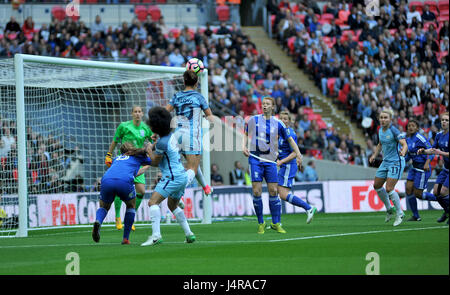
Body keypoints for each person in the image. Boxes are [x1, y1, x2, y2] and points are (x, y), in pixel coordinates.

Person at [242, 97, 303, 234]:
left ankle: (276, 223)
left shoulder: (278, 123)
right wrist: (243, 146)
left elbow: (290, 140)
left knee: (274, 191)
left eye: (267, 104)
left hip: (270, 161)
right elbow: (245, 133)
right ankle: (261, 223)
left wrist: (298, 154)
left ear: (272, 107)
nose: (264, 106)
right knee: (257, 191)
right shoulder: (254, 119)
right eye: (263, 104)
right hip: (255, 158)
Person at [141, 107, 196, 246]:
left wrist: (148, 151)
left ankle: (156, 236)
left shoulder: (162, 142)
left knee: (153, 202)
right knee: (173, 205)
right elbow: (160, 146)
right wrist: (153, 143)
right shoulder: (171, 136)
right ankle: (189, 234)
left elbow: (155, 162)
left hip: (172, 177)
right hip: (181, 176)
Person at [92, 142, 152, 245]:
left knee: (104, 207)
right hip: (124, 182)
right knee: (131, 206)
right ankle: (125, 238)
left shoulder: (117, 158)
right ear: (132, 149)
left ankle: (98, 221)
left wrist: (144, 168)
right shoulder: (138, 156)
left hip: (106, 180)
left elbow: (131, 172)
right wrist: (150, 149)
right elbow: (153, 160)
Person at [105, 106, 153, 231]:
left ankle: (129, 217)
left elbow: (151, 141)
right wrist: (109, 155)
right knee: (119, 191)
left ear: (142, 114)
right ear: (132, 113)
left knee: (141, 192)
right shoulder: (124, 126)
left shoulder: (145, 128)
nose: (137, 114)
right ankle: (117, 217)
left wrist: (152, 145)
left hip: (138, 161)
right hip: (126, 161)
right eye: (135, 111)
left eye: (139, 112)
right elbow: (115, 141)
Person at [166, 70, 213, 197]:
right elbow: (210, 117)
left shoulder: (176, 96)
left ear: (184, 81)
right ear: (196, 83)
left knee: (193, 166)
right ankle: (176, 189)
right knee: (192, 168)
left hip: (177, 135)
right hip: (191, 136)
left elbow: (165, 112)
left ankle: (205, 186)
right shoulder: (198, 97)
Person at [369, 109, 408, 227]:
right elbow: (380, 144)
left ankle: (400, 213)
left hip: (396, 162)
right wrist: (374, 155)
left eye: (385, 117)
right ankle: (389, 209)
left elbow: (404, 144)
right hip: (386, 161)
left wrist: (403, 152)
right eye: (381, 117)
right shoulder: (380, 130)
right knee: (376, 185)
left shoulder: (394, 130)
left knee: (389, 188)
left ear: (390, 119)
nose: (383, 120)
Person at [277, 111, 317, 224]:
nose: (283, 121)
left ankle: (308, 208)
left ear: (289, 121)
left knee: (283, 194)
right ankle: (276, 222)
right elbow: (283, 150)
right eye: (281, 119)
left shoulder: (290, 133)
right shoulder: (281, 133)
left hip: (288, 166)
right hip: (285, 165)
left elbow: (295, 153)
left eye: (285, 119)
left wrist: (281, 162)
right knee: (275, 191)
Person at [418, 112, 449, 224]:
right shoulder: (439, 135)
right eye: (443, 120)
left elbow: (440, 152)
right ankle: (447, 211)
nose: (444, 122)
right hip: (446, 169)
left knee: (444, 191)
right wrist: (423, 150)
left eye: (446, 120)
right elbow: (432, 149)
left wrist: (441, 153)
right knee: (436, 192)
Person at [403, 119, 433, 221]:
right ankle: (416, 215)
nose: (410, 127)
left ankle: (442, 199)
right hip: (414, 168)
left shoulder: (420, 138)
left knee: (418, 194)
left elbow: (431, 151)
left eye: (413, 126)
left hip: (422, 169)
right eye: (409, 126)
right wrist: (401, 159)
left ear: (417, 128)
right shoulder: (407, 140)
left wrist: (427, 163)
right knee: (408, 189)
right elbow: (409, 156)